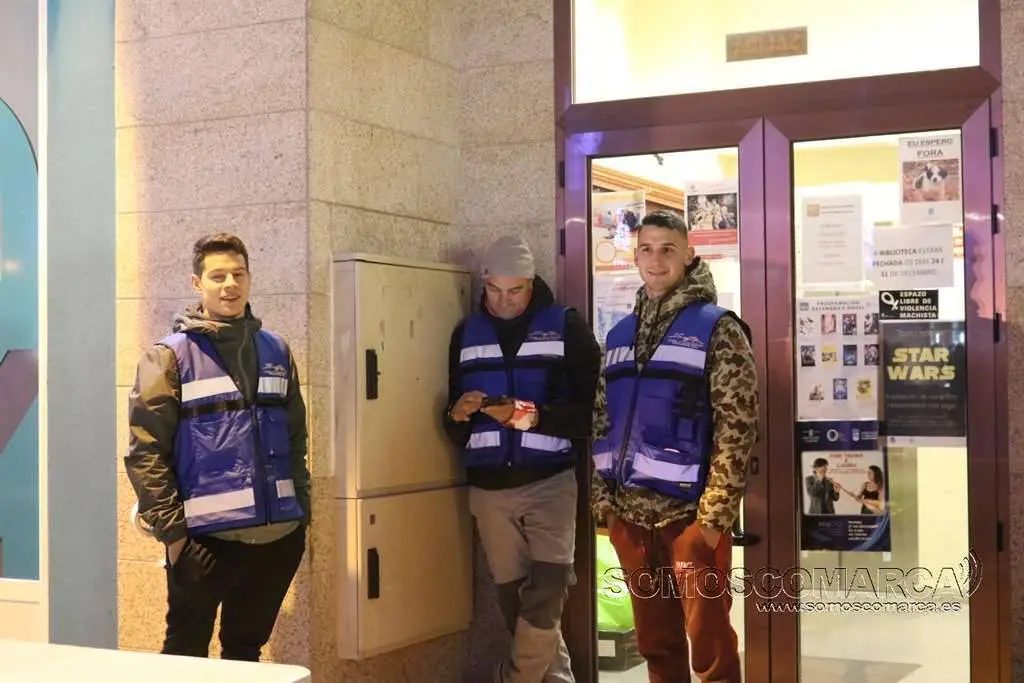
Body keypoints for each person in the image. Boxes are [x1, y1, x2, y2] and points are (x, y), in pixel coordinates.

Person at [124, 233, 311, 661]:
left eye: (238, 274)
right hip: (204, 542)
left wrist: (301, 514)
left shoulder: (276, 349)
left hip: (277, 539)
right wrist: (175, 538)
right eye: (218, 276)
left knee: (245, 654)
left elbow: (296, 435)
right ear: (197, 284)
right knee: (185, 654)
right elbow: (145, 452)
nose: (230, 284)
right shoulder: (168, 357)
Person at [591, 210, 759, 683]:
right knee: (656, 647)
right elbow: (602, 420)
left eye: (668, 249)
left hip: (689, 519)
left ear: (688, 254)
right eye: (646, 249)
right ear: (635, 257)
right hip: (632, 521)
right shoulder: (619, 335)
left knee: (710, 649)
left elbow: (737, 426)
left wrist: (711, 523)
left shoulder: (717, 328)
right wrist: (606, 507)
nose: (656, 260)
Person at [444, 236, 601, 683]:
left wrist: (527, 416)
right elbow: (453, 427)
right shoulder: (465, 333)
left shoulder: (566, 326)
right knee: (515, 602)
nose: (504, 300)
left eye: (515, 290)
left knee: (548, 591)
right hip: (489, 488)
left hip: (550, 482)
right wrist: (456, 415)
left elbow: (595, 413)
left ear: (532, 283)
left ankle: (511, 678)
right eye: (494, 289)